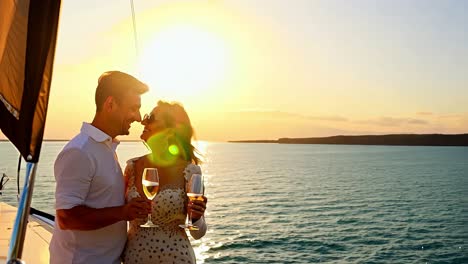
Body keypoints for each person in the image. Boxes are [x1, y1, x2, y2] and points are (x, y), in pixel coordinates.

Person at [49, 71, 152, 264]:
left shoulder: (106, 147)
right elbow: (67, 217)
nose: (138, 117)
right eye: (133, 108)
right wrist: (124, 212)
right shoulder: (79, 151)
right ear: (110, 104)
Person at [122, 101, 208, 263]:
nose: (143, 121)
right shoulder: (131, 167)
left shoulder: (190, 171)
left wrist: (196, 217)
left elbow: (197, 233)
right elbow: (118, 215)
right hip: (135, 257)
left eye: (151, 118)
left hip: (176, 257)